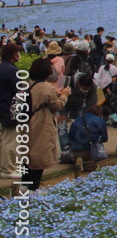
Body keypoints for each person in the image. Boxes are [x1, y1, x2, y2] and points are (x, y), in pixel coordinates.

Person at [22, 57, 70, 190]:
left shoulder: (29, 83)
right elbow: (57, 106)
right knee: (39, 158)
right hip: (41, 125)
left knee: (28, 157)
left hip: (28, 123)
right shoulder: (47, 87)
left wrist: (55, 93)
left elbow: (39, 96)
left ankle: (24, 188)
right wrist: (64, 95)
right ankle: (33, 190)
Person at [0, 43, 22, 179]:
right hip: (9, 107)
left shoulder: (1, 67)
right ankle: (8, 169)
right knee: (10, 139)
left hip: (2, 106)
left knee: (3, 138)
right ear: (14, 55)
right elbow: (19, 91)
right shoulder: (12, 70)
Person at [68, 104, 108, 170]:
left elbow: (70, 138)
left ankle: (79, 162)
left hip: (75, 153)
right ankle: (91, 162)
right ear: (100, 115)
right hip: (92, 152)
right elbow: (105, 138)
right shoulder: (100, 121)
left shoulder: (77, 120)